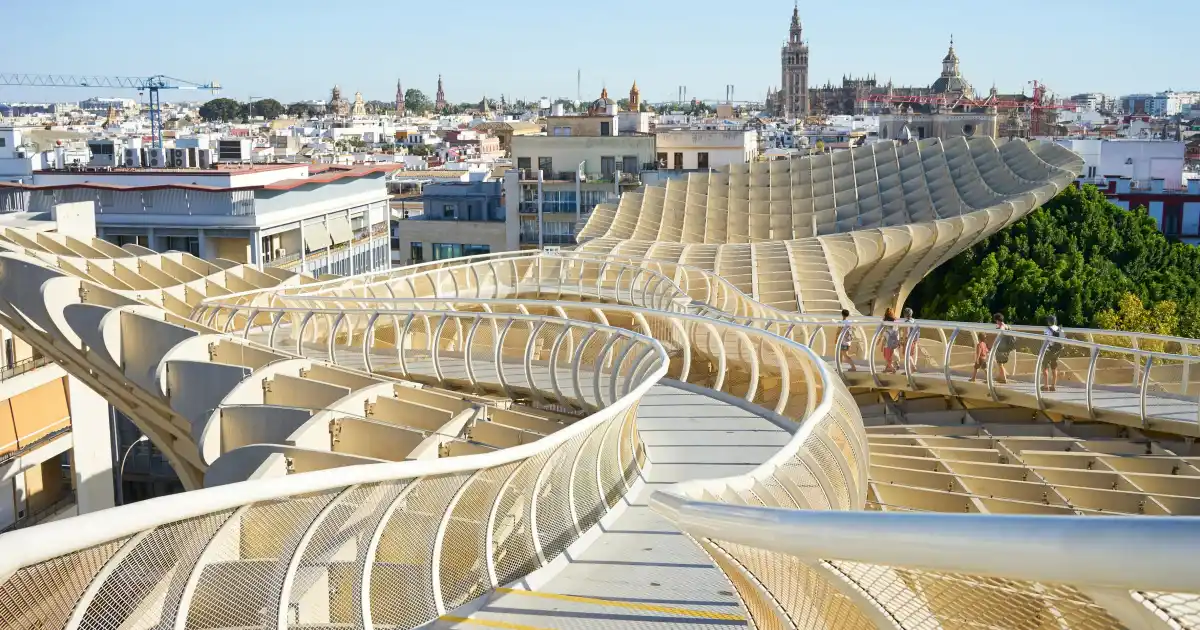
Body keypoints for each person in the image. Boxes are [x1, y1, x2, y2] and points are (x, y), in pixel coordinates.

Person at [970, 313, 1010, 384]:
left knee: (1000, 363)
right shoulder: (1006, 326)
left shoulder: (1002, 327)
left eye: (996, 321)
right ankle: (1000, 377)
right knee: (1000, 363)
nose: (996, 322)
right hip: (1004, 347)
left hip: (1001, 347)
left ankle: (1004, 379)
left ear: (997, 320)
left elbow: (1000, 335)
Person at [1042, 314, 1063, 392]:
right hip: (1057, 351)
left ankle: (1046, 385)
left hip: (1049, 350)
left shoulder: (1047, 330)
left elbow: (1045, 341)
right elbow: (1063, 340)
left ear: (1048, 321)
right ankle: (1053, 385)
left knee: (1045, 366)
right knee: (1054, 367)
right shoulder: (1060, 329)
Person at [881, 308, 900, 373]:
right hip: (894, 341)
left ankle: (892, 368)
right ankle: (888, 367)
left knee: (886, 356)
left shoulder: (885, 322)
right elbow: (896, 332)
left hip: (888, 342)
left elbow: (884, 332)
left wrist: (881, 340)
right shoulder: (895, 321)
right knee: (890, 355)